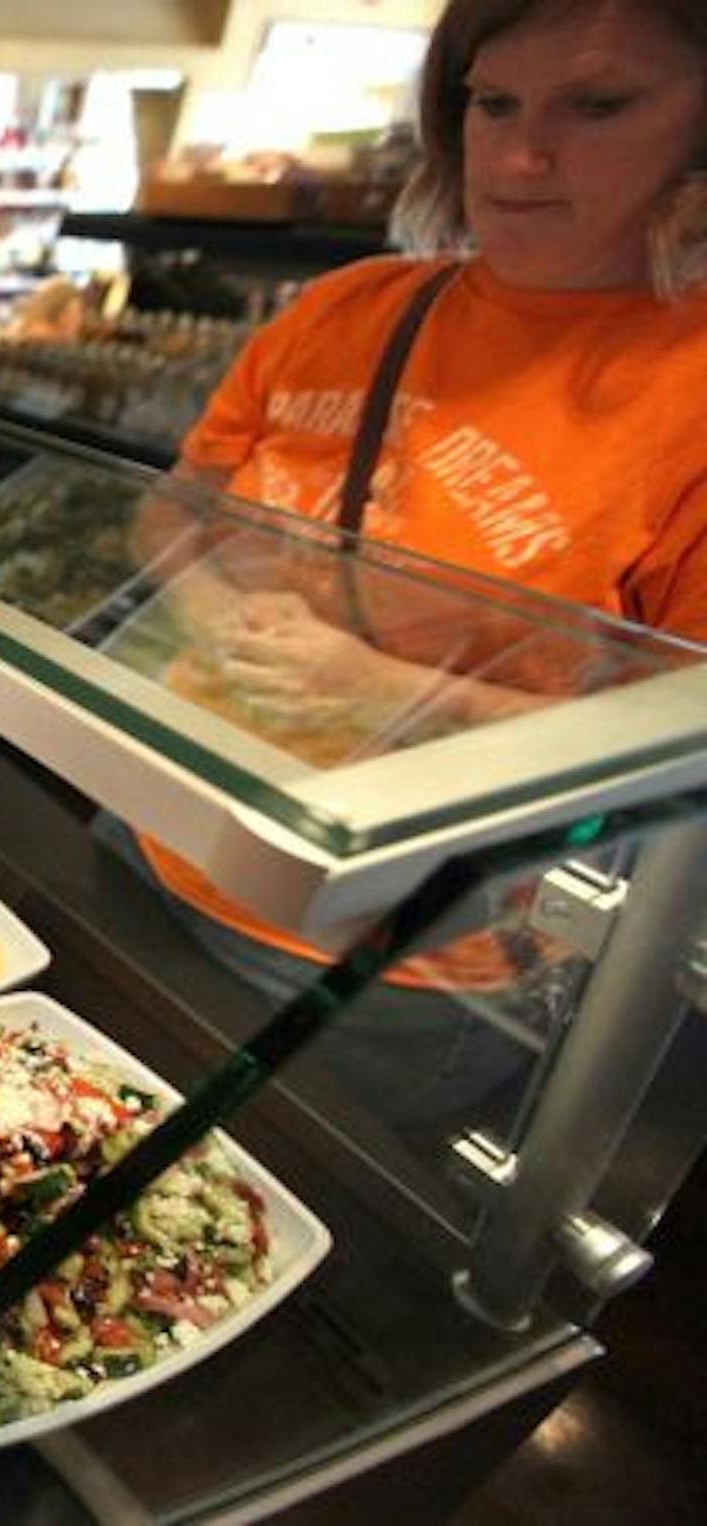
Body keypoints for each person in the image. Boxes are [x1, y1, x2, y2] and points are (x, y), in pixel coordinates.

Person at [115, 0, 706, 1118]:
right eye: (495, 104)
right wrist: (210, 616)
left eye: (597, 105)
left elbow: (677, 753)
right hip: (160, 830)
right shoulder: (351, 307)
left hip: (392, 960)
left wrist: (381, 690)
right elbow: (168, 513)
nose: (521, 157)